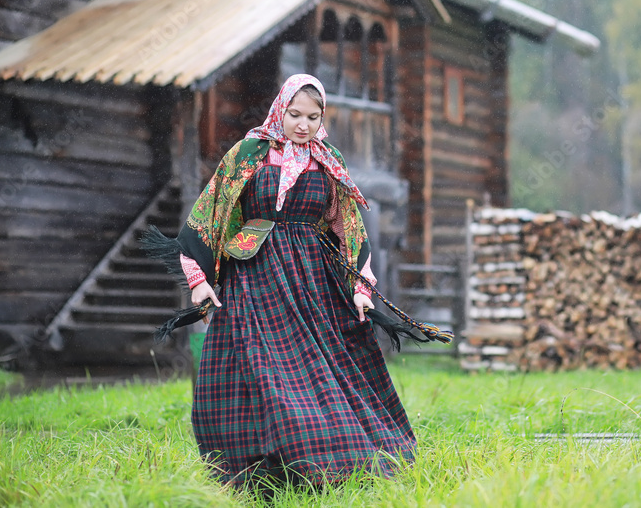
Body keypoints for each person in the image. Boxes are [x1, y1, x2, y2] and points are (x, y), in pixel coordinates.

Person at [145, 74, 450, 488]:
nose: (303, 125)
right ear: (280, 109)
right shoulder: (248, 153)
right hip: (255, 277)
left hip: (314, 284)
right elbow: (211, 213)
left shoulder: (327, 159)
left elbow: (349, 228)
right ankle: (261, 466)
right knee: (259, 366)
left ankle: (328, 460)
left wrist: (361, 288)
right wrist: (199, 281)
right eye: (294, 114)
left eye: (312, 116)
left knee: (319, 370)